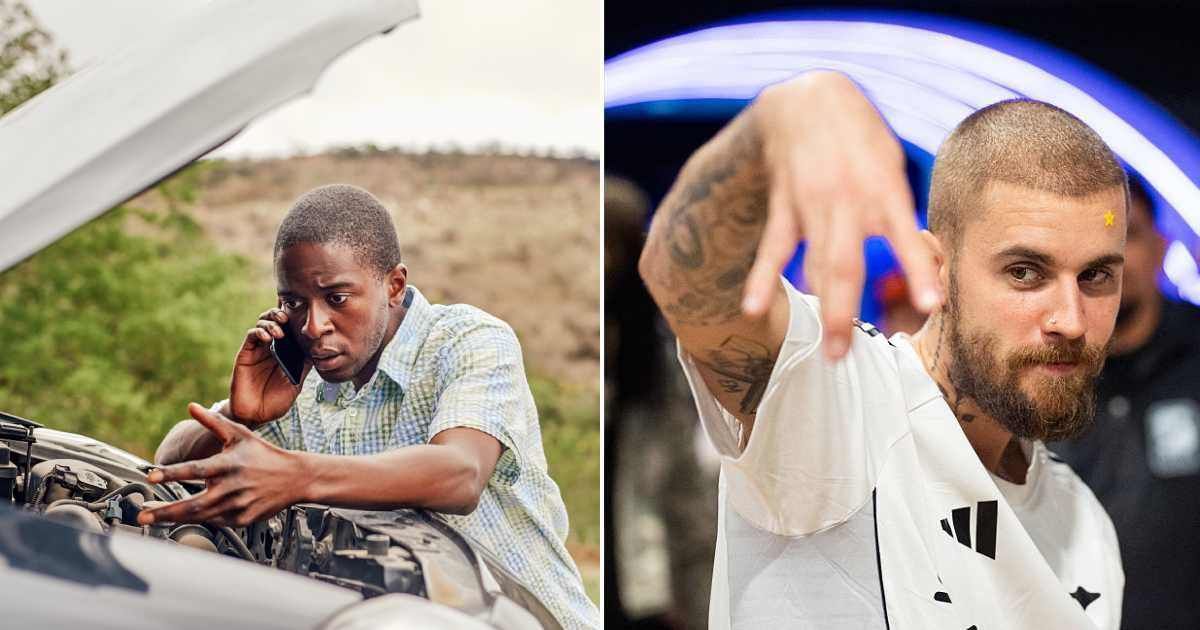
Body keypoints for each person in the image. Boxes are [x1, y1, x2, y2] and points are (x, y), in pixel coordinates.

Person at [638, 71, 1127, 629]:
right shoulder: (840, 399)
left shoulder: (1086, 526)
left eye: (1095, 276)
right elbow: (682, 277)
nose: (1069, 319)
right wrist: (780, 118)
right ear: (937, 270)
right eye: (1024, 272)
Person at [147, 184, 599, 630]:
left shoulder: (468, 339)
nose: (313, 325)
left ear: (394, 285)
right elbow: (170, 461)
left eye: (337, 299)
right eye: (293, 303)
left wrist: (297, 476)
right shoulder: (300, 381)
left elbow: (460, 474)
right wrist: (240, 415)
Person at [1051, 175, 1200, 630]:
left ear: (1160, 247)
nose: (1110, 260)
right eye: (1094, 246)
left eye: (1127, 236)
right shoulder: (1042, 372)